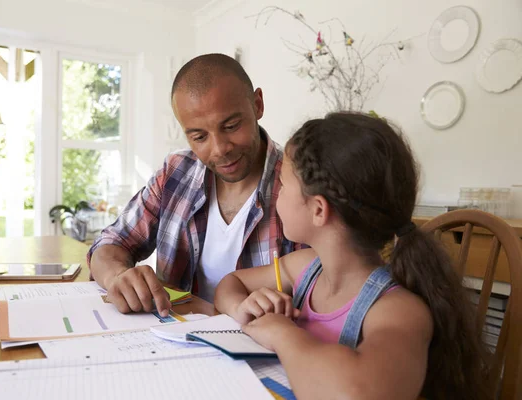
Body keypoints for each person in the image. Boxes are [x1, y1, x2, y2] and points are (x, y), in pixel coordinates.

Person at [215, 113, 490, 399]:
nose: (276, 196)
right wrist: (244, 309)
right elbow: (230, 284)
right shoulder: (305, 268)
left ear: (318, 210)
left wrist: (283, 334)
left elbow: (358, 393)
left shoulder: (398, 311)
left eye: (283, 185)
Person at [88, 53, 301, 316]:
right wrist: (118, 277)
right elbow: (112, 242)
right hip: (173, 342)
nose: (220, 149)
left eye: (232, 126)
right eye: (199, 136)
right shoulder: (177, 171)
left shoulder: (298, 184)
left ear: (257, 104)